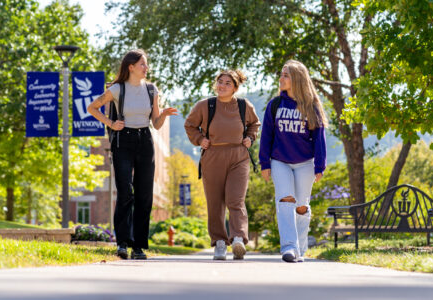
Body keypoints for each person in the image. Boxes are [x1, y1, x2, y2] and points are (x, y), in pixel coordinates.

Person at [87, 49, 178, 260]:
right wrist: (111, 123)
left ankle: (138, 246)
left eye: (146, 65)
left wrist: (163, 114)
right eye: (142, 65)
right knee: (126, 192)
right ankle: (122, 243)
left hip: (145, 140)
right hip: (123, 141)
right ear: (131, 67)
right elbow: (93, 107)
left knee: (144, 195)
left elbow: (155, 124)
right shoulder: (118, 89)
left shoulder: (151, 90)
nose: (146, 68)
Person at [184, 70, 260, 260]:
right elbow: (189, 125)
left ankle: (238, 239)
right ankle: (219, 242)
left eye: (227, 83)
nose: (222, 86)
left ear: (235, 87)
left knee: (236, 199)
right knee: (215, 202)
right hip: (213, 155)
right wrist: (200, 139)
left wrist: (250, 138)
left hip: (239, 156)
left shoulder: (244, 105)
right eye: (220, 82)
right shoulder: (205, 105)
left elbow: (255, 124)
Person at [258, 60, 328, 263]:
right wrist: (265, 163)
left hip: (306, 163)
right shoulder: (275, 105)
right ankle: (289, 247)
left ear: (297, 79)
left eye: (286, 75)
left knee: (301, 206)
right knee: (285, 200)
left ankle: (301, 248)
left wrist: (319, 165)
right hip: (280, 162)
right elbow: (267, 136)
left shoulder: (311, 106)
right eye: (281, 74)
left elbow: (319, 137)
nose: (281, 78)